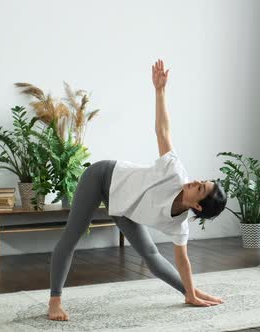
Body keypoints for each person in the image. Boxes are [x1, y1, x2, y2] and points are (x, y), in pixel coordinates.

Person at [47, 59, 228, 321]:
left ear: (197, 206)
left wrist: (190, 291)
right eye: (199, 181)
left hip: (123, 205)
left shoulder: (180, 226)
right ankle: (55, 301)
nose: (193, 182)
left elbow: (183, 261)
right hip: (102, 177)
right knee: (72, 237)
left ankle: (190, 293)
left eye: (199, 188)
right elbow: (162, 130)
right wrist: (160, 91)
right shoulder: (174, 172)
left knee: (151, 254)